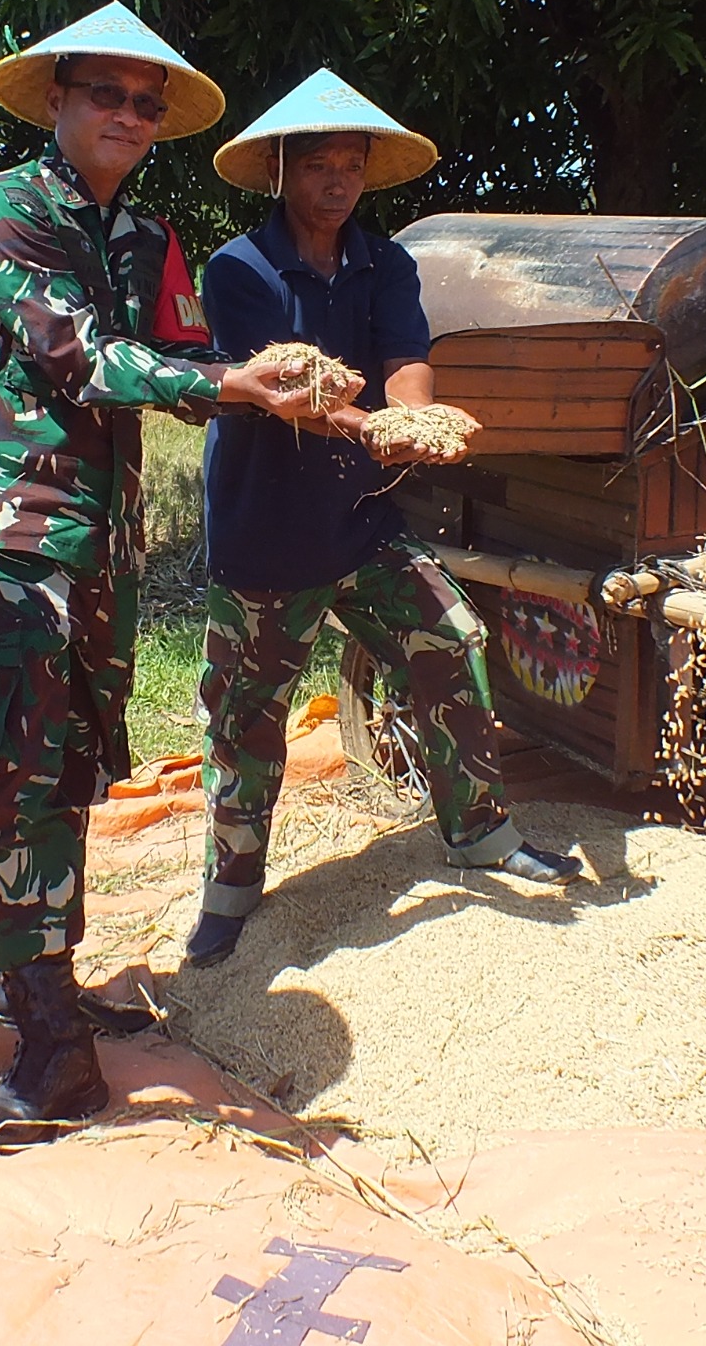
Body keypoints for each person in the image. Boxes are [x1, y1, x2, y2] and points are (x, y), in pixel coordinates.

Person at [0, 1, 328, 1149]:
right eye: (105, 94)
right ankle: (55, 1056)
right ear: (56, 98)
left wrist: (287, 376)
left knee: (66, 773)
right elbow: (83, 355)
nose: (127, 114)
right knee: (14, 775)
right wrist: (232, 386)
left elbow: (183, 348)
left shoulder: (144, 236)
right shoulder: (5, 210)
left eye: (145, 103)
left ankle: (40, 986)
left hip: (99, 538)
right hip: (13, 539)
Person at [183, 71, 584, 969]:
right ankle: (232, 889)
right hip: (264, 531)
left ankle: (477, 831)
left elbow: (407, 358)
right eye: (319, 163)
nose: (337, 181)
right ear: (282, 169)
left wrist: (420, 417)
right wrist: (379, 428)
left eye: (351, 165)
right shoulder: (238, 269)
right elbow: (287, 387)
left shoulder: (385, 263)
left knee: (451, 635)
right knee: (248, 714)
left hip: (360, 520)